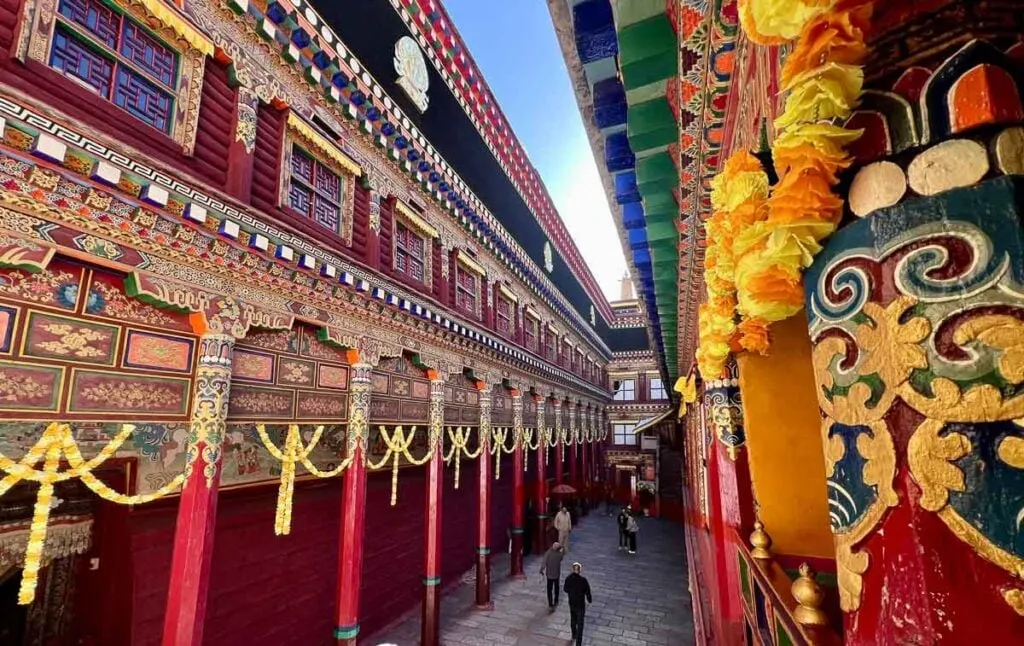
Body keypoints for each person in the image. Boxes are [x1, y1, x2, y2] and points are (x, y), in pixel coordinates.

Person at [563, 562, 592, 646]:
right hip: (580, 605)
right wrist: (589, 599)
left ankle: (573, 634)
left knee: (573, 619)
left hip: (572, 603)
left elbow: (565, 589)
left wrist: (571, 592)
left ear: (573, 569)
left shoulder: (568, 578)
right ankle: (578, 643)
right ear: (580, 570)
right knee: (580, 624)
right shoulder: (583, 580)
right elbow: (587, 591)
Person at [539, 541, 565, 610]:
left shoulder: (548, 553)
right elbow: (561, 558)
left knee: (549, 589)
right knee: (556, 588)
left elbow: (544, 562)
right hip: (556, 574)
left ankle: (550, 603)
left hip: (549, 574)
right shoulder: (559, 554)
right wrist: (562, 552)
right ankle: (556, 601)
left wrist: (541, 570)